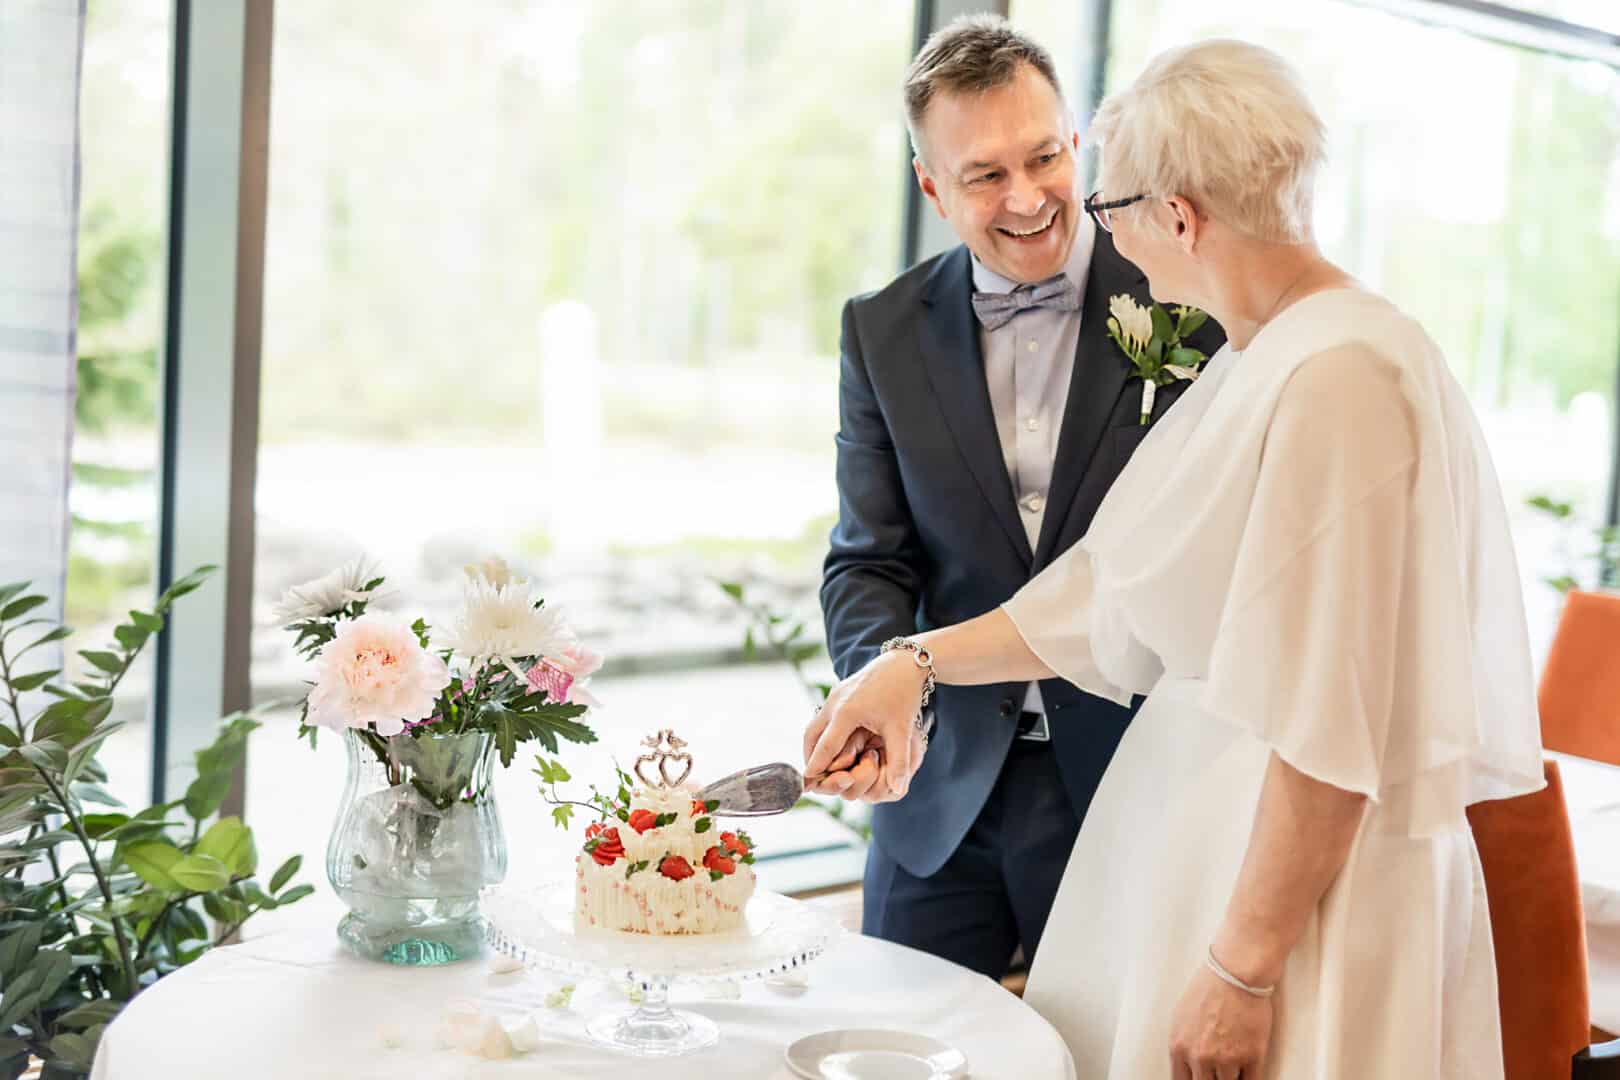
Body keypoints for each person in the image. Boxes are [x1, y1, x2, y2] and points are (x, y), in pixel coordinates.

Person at [807, 38, 1545, 1078]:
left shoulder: (1344, 379)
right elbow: (1106, 593)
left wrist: (1244, 968)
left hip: (1290, 898)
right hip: (1201, 856)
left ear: (1180, 217)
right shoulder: (1267, 353)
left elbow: (1328, 727)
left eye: (1103, 202)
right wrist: (909, 664)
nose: (1087, 227)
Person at [816, 14, 1222, 980]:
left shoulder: (1190, 302)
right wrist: (886, 697)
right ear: (930, 187)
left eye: (1043, 157)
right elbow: (869, 556)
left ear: (1076, 139)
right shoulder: (881, 331)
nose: (1030, 196)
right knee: (903, 1043)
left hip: (1135, 776)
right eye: (984, 175)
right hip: (940, 793)